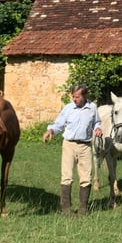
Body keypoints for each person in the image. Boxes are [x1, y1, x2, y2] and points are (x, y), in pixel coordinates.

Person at [43, 84, 102, 216]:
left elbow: (97, 122)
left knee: (86, 177)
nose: (74, 99)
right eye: (73, 96)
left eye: (77, 97)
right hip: (69, 145)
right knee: (66, 177)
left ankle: (83, 209)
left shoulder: (92, 108)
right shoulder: (68, 108)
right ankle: (66, 209)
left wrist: (98, 128)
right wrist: (50, 130)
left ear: (84, 96)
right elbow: (59, 124)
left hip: (85, 146)